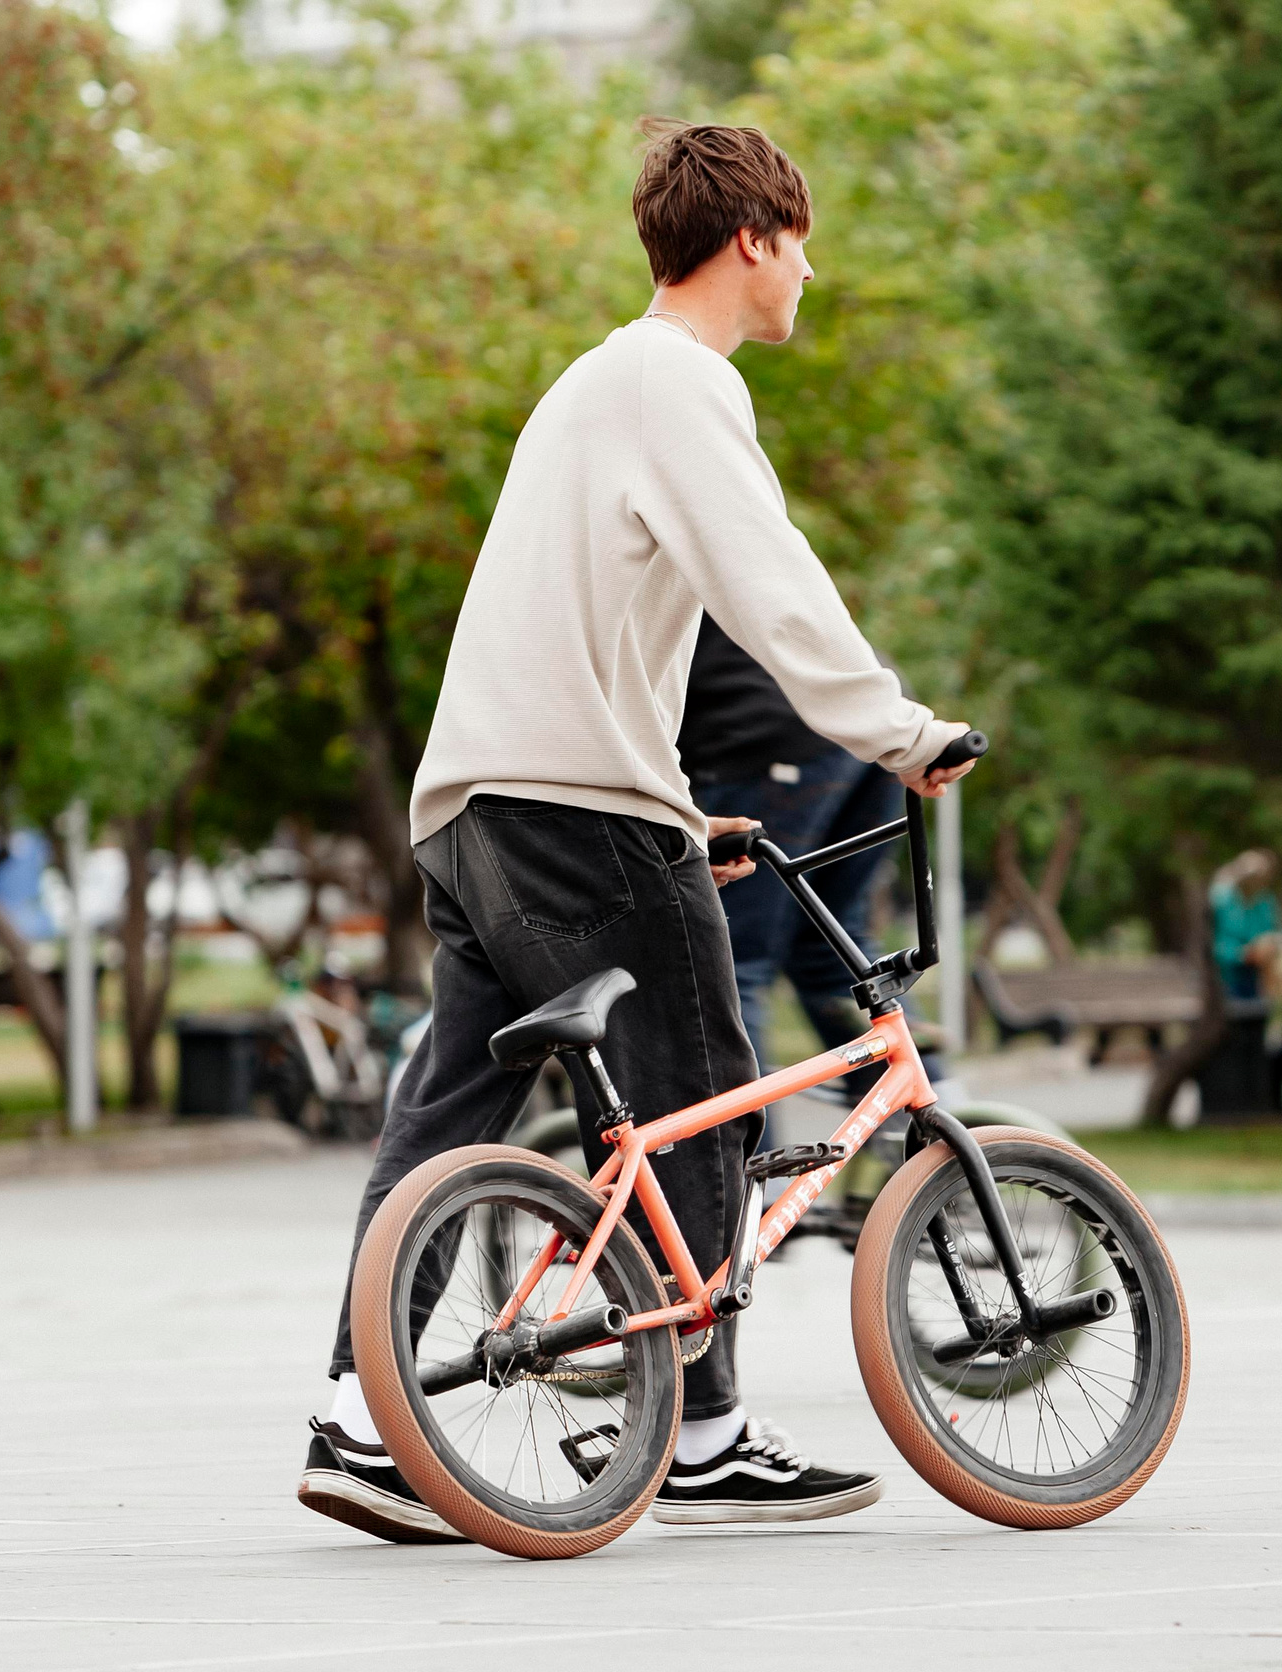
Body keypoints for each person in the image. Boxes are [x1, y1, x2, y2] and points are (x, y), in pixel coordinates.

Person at [297, 118, 975, 1545]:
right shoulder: (681, 382)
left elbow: (592, 633)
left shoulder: (593, 382)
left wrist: (673, 801)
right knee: (707, 1085)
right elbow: (771, 584)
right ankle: (708, 1434)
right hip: (573, 809)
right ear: (752, 240)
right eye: (802, 246)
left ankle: (362, 1421)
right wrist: (899, 732)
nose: (810, 274)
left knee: (449, 1110)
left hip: (475, 807)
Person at [679, 613, 908, 1094]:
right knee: (830, 942)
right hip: (871, 713)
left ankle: (747, 1145)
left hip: (765, 732)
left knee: (728, 961)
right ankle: (933, 1112)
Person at [1209, 850, 1282, 1002]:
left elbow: (1271, 933)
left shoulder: (1265, 902)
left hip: (1258, 977)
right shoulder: (1222, 900)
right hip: (1227, 976)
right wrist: (1243, 954)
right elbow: (1217, 943)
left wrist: (1268, 948)